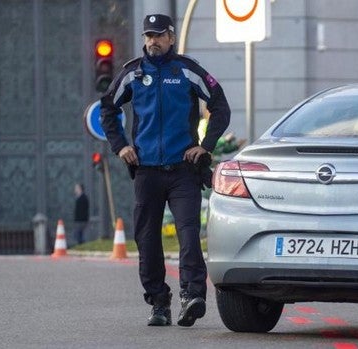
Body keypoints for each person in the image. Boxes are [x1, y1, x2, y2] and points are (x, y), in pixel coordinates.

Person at [100, 14, 230, 327]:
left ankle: (192, 296)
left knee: (188, 234)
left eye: (159, 35)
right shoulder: (133, 73)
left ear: (171, 37)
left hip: (183, 170)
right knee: (147, 239)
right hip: (146, 171)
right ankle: (159, 302)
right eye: (148, 36)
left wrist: (207, 146)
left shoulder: (186, 70)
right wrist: (120, 147)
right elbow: (107, 108)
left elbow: (220, 106)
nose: (153, 41)